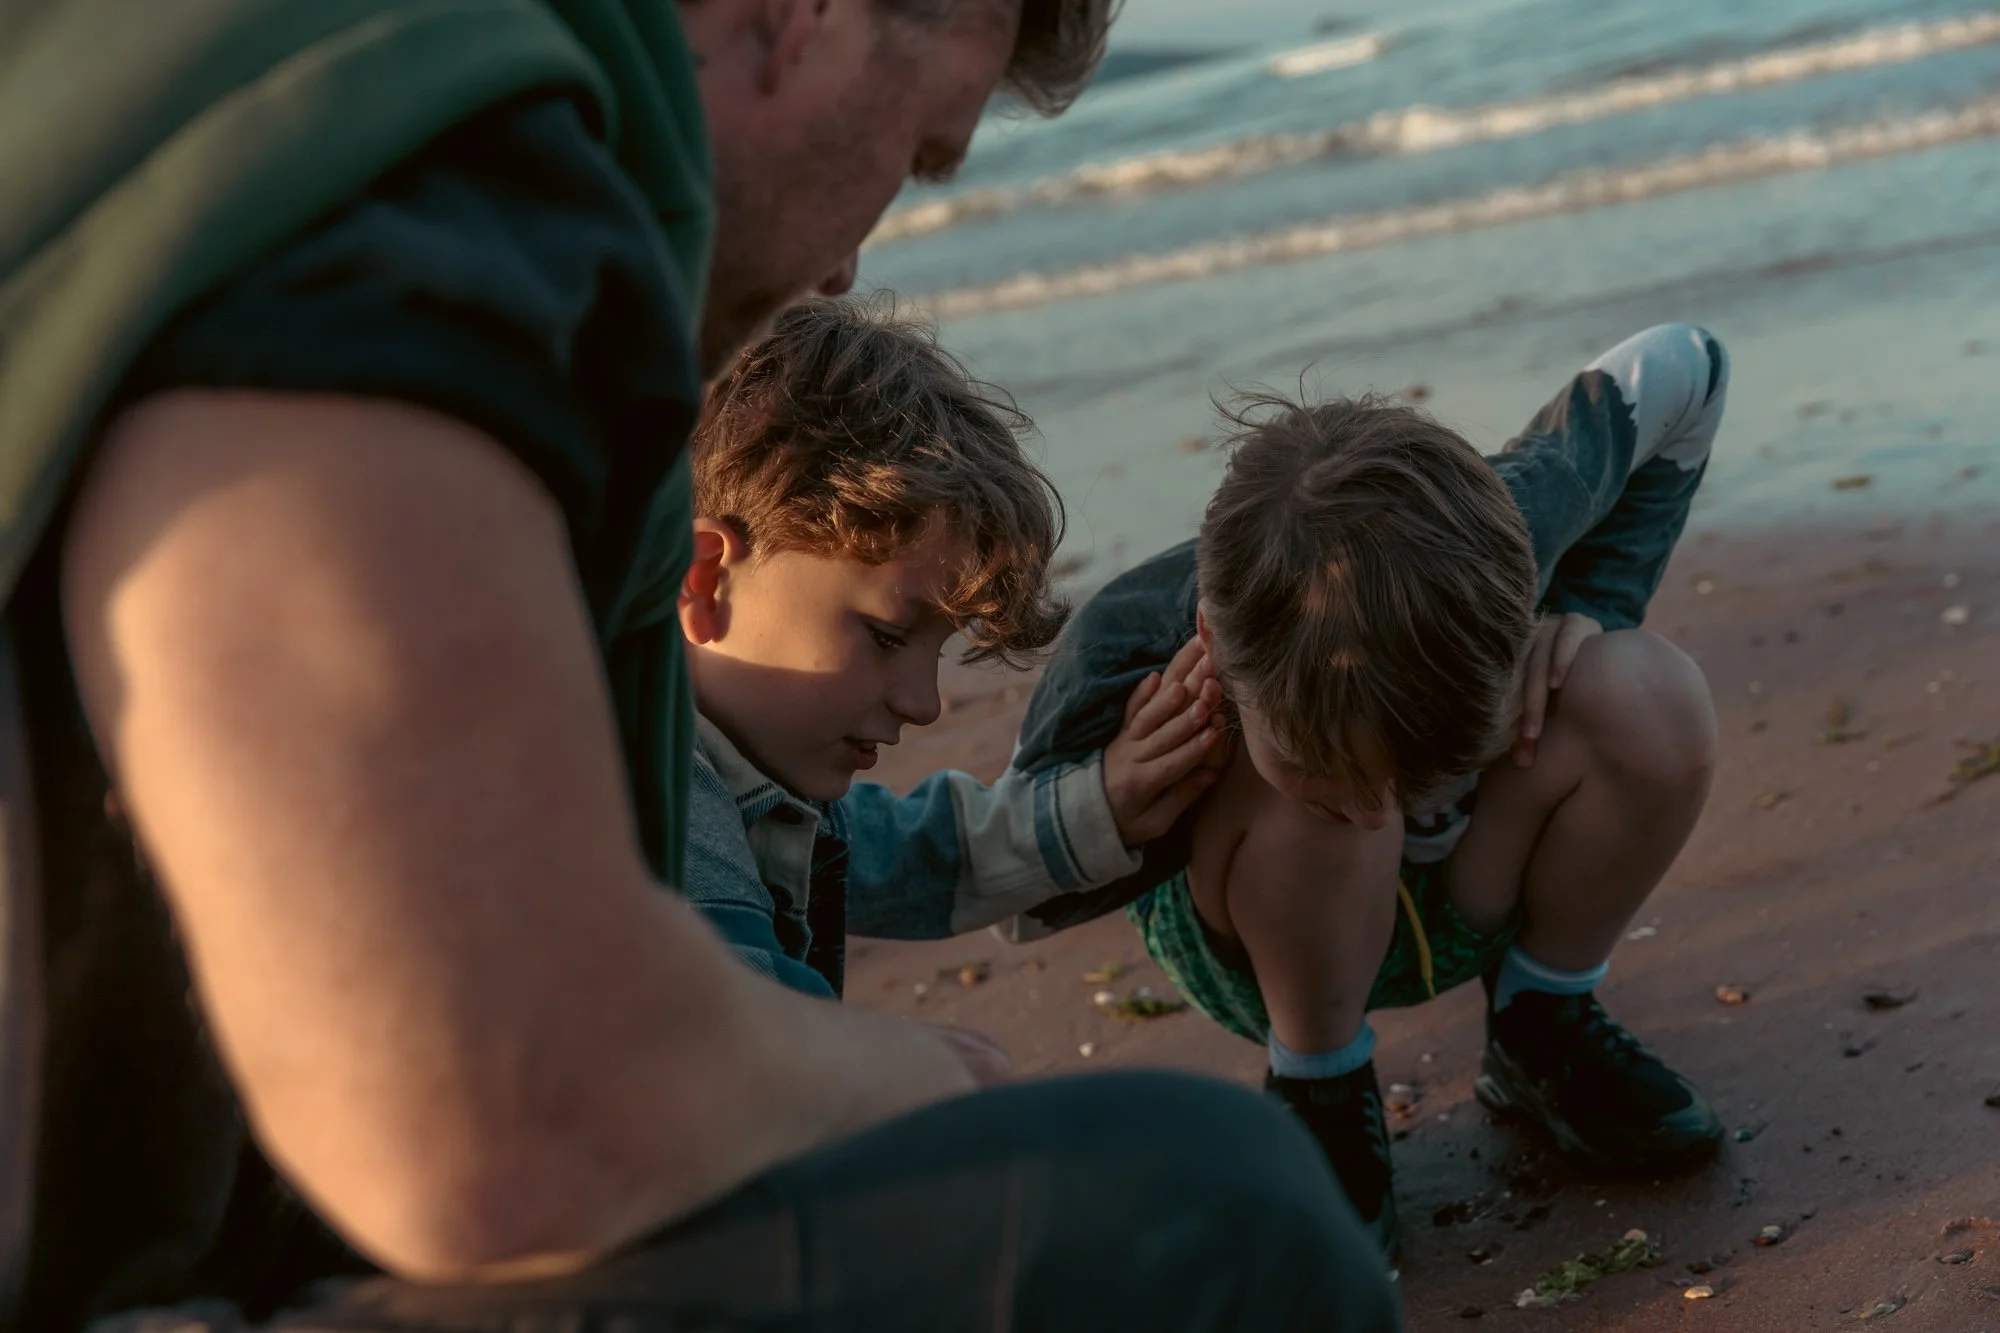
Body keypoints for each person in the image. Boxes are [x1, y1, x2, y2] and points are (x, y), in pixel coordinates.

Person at [0, 1, 1403, 1331]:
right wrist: (914, 1078)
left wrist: (1088, 812)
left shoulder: (184, 91)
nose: (853, 262)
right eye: (915, 152)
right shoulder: (430, 170)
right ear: (806, 14)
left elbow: (896, 854)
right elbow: (493, 1102)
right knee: (1213, 1211)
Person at [1007, 324, 1732, 1254]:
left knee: (1649, 691)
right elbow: (1012, 898)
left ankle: (1543, 1022)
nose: (1373, 804)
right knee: (1315, 793)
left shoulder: (1513, 522)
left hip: (1475, 877)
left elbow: (1689, 363)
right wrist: (1112, 792)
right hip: (1265, 930)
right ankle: (1318, 1083)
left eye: (1412, 770)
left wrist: (1591, 601)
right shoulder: (1119, 648)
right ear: (1210, 637)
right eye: (1345, 776)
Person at [680, 297, 1227, 1001]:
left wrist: (1105, 801)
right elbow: (741, 1051)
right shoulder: (659, 797)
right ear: (703, 581)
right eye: (885, 635)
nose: (925, 704)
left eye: (937, 650)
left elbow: (917, 860)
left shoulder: (749, 773)